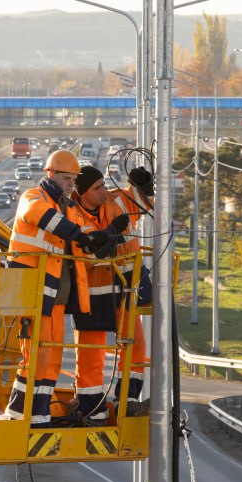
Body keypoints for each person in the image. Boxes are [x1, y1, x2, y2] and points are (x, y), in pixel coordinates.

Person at [0, 148, 107, 427]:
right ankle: (22, 413)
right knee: (35, 354)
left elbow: (85, 231)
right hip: (32, 290)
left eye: (73, 179)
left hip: (55, 296)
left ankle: (38, 414)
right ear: (50, 174)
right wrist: (78, 235)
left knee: (52, 358)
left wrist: (102, 240)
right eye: (65, 177)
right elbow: (42, 217)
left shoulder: (69, 207)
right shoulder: (33, 197)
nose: (71, 183)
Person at [69, 164, 153, 421]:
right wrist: (112, 230)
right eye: (97, 188)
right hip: (93, 293)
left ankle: (127, 401)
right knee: (90, 353)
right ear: (82, 193)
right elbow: (93, 250)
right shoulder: (72, 215)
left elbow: (147, 203)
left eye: (104, 185)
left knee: (136, 345)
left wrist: (145, 185)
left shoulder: (115, 200)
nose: (103, 191)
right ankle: (92, 407)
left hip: (125, 288)